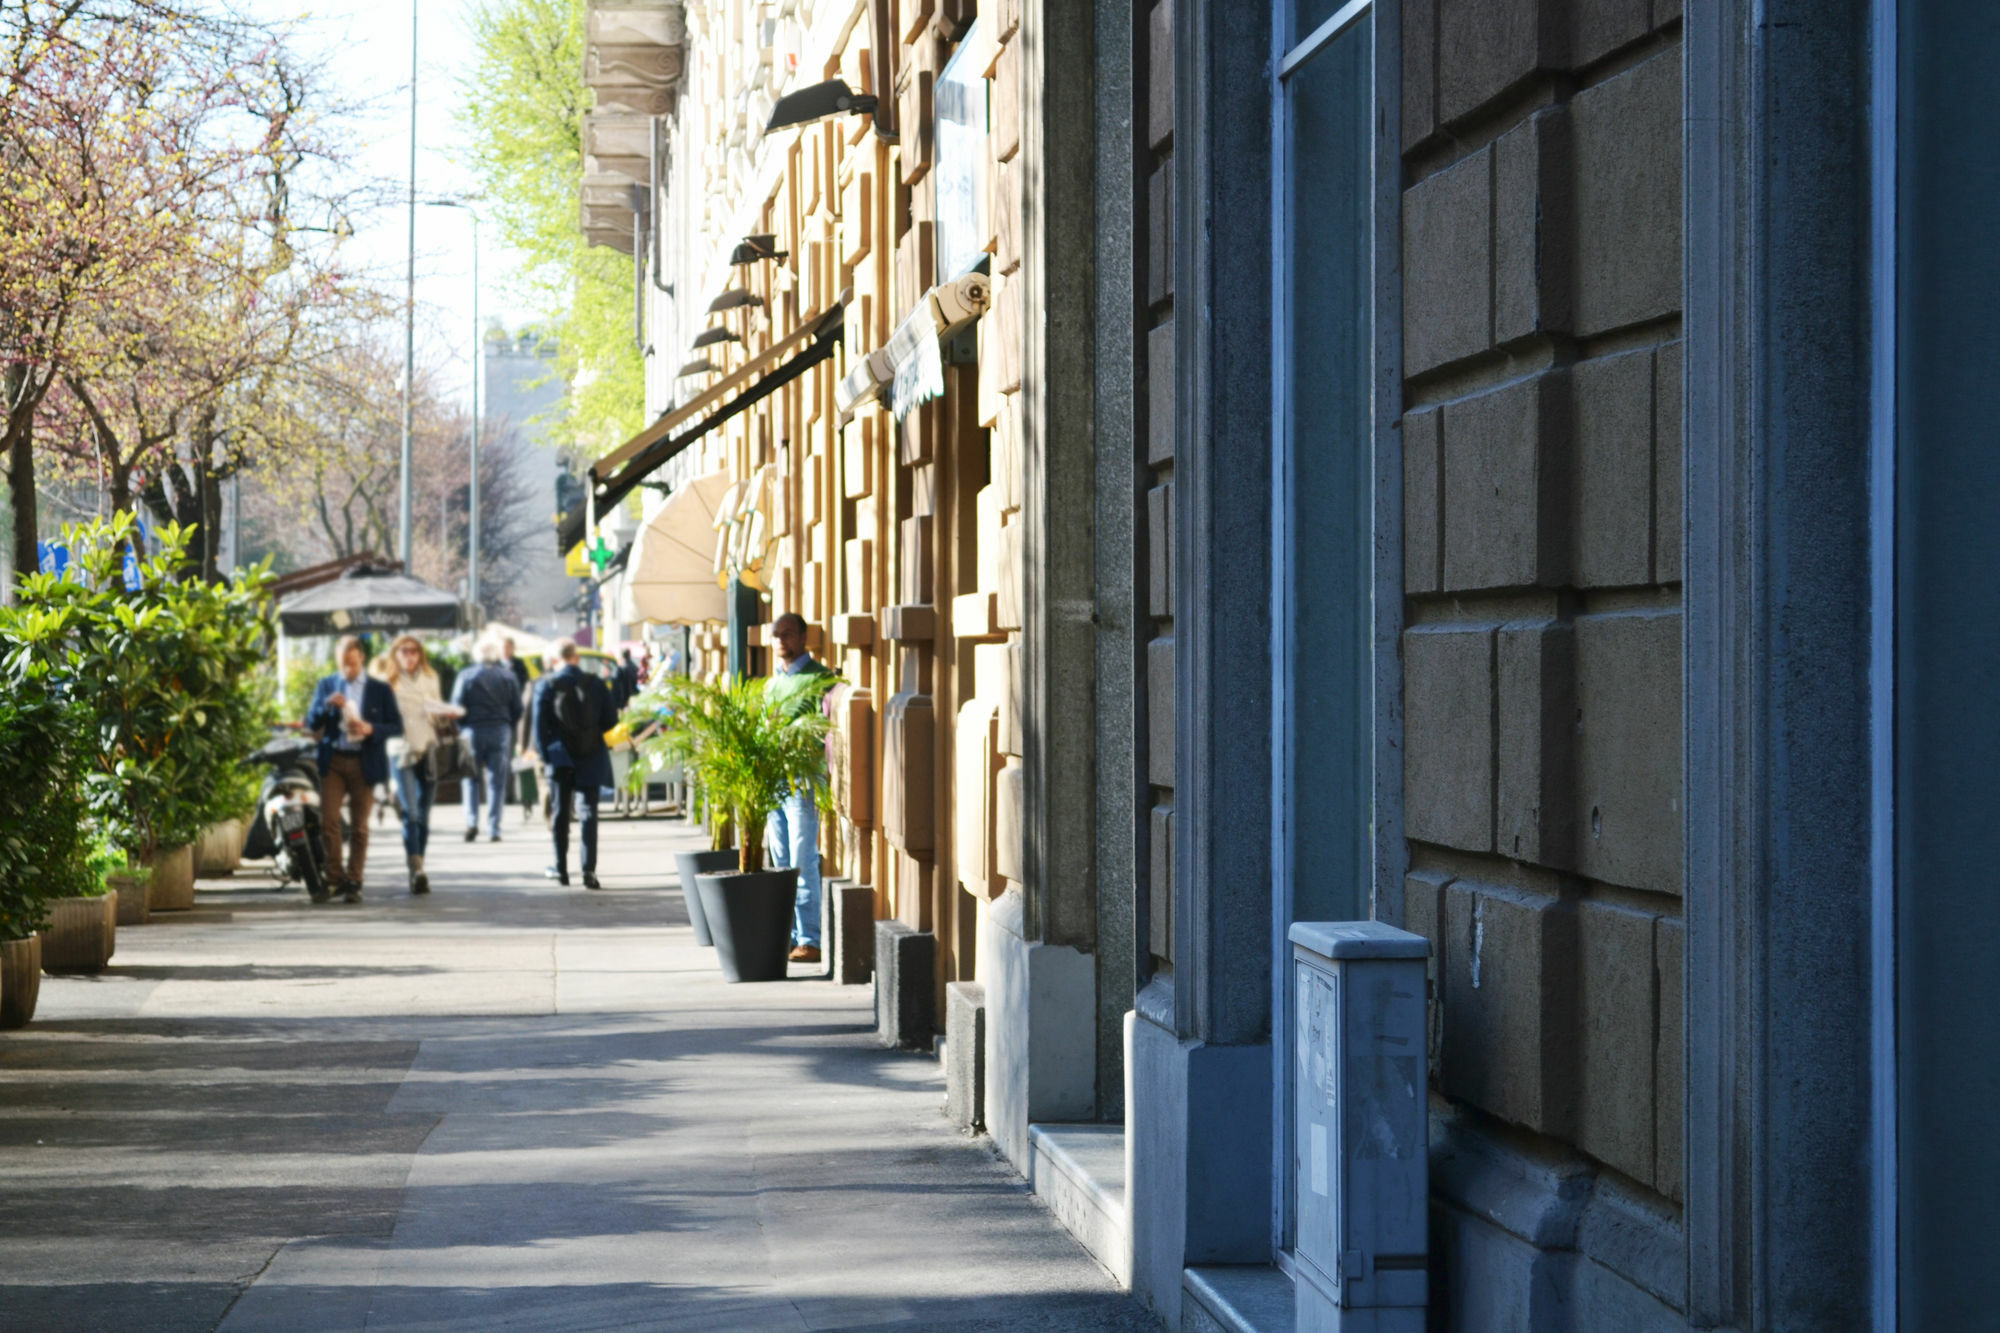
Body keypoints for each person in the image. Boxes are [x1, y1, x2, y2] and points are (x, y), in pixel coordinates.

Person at [305, 635, 404, 904]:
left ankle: (354, 880)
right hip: (334, 759)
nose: (347, 669)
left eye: (351, 662)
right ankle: (334, 878)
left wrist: (372, 729)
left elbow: (396, 725)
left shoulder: (379, 690)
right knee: (329, 821)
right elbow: (311, 722)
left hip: (365, 760)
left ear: (361, 658)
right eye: (342, 664)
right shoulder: (327, 684)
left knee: (360, 826)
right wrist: (326, 705)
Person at [767, 612, 835, 963]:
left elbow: (825, 729)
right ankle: (790, 936)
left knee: (801, 859)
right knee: (780, 862)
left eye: (788, 634)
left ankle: (810, 939)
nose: (781, 640)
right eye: (776, 634)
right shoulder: (772, 683)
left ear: (804, 637)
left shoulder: (820, 678)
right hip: (775, 782)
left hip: (804, 781)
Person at [375, 635, 459, 894]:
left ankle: (419, 865)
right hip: (401, 752)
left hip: (429, 748)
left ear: (420, 654)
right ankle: (415, 867)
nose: (409, 656)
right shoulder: (385, 681)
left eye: (414, 651)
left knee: (424, 814)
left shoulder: (431, 677)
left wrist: (444, 715)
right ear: (395, 654)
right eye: (404, 651)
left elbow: (436, 713)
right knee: (411, 812)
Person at [532, 638, 617, 889]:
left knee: (560, 813)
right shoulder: (596, 684)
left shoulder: (546, 685)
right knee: (589, 813)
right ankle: (589, 871)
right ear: (576, 657)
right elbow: (611, 719)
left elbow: (539, 728)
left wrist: (548, 755)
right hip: (590, 755)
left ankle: (561, 870)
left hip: (560, 758)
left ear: (556, 660)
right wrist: (590, 733)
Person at [452, 636, 525, 842]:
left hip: (472, 730)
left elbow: (457, 706)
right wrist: (507, 725)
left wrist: (463, 727)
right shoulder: (508, 676)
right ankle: (494, 828)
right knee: (496, 781)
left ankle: (472, 822)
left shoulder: (466, 676)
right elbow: (518, 708)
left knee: (470, 779)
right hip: (499, 730)